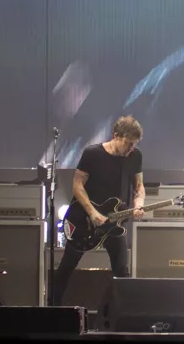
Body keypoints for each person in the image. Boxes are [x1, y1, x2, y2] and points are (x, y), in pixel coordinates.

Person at [51, 116, 144, 307]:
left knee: (121, 271)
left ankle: (124, 315)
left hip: (114, 223)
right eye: (128, 143)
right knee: (67, 266)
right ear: (116, 136)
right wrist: (92, 212)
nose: (131, 148)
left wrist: (139, 204)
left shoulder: (135, 156)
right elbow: (77, 185)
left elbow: (139, 187)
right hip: (84, 220)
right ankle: (52, 308)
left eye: (134, 144)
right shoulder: (93, 153)